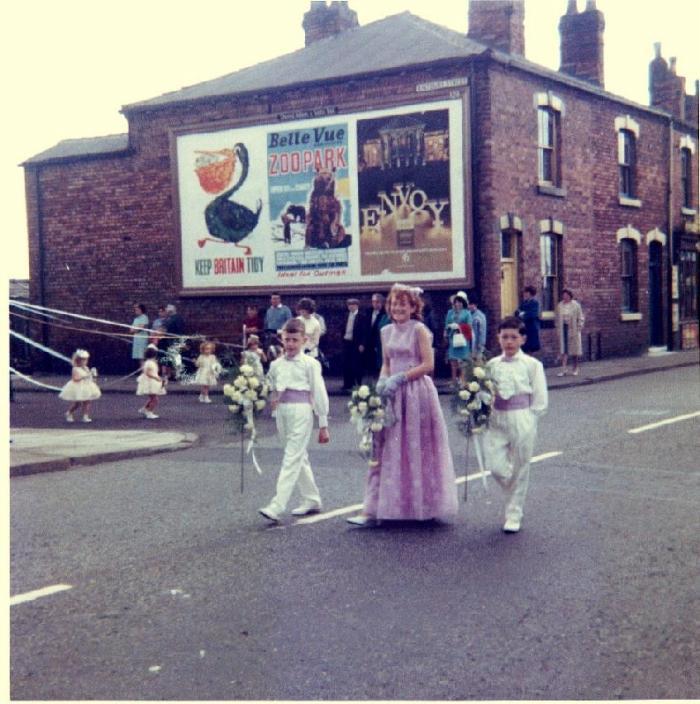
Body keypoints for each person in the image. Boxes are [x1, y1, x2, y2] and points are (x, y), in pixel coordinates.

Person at [347, 283, 458, 527]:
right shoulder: (385, 331)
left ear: (412, 307)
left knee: (415, 448)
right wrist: (382, 383)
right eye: (394, 303)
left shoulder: (419, 329)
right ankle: (373, 509)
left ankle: (422, 506)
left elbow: (429, 365)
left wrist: (402, 378)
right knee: (384, 448)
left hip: (416, 392)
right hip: (391, 394)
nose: (398, 308)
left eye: (403, 304)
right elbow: (386, 363)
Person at [258, 318, 330, 523]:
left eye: (294, 340)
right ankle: (312, 499)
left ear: (304, 340)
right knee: (298, 457)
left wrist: (323, 425)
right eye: (286, 340)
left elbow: (319, 393)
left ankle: (277, 505)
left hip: (302, 411)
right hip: (282, 412)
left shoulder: (311, 364)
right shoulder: (276, 364)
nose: (290, 344)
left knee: (291, 457)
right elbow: (269, 385)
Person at [483, 316, 548, 533]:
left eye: (513, 337)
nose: (509, 342)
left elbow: (540, 396)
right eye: (504, 337)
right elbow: (484, 392)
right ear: (498, 339)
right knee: (496, 467)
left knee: (521, 467)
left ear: (522, 339)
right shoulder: (491, 365)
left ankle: (513, 514)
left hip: (522, 418)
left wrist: (531, 419)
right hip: (497, 417)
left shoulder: (532, 365)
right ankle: (511, 488)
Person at [59, 349, 101, 423]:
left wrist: (93, 375)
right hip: (78, 387)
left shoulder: (86, 368)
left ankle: (85, 416)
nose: (85, 362)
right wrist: (84, 376)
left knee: (87, 401)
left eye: (86, 360)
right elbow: (75, 379)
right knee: (78, 403)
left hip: (86, 386)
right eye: (83, 360)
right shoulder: (75, 369)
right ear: (78, 361)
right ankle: (69, 412)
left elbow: (90, 378)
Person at [444, 291, 472, 385]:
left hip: (462, 339)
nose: (457, 304)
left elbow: (469, 326)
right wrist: (447, 331)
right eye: (456, 302)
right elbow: (446, 324)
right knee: (453, 361)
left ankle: (463, 381)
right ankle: (454, 380)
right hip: (453, 338)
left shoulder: (467, 313)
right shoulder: (450, 312)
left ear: (463, 303)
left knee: (462, 362)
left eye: (459, 302)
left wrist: (459, 327)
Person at [555, 289, 585, 376]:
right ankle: (564, 369)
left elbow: (581, 317)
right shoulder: (560, 305)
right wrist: (558, 327)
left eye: (566, 295)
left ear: (570, 296)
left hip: (573, 329)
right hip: (563, 328)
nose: (565, 297)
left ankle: (575, 368)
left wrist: (579, 328)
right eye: (563, 295)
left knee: (574, 350)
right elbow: (557, 318)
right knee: (564, 349)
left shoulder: (576, 305)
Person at [341, 297, 366, 391]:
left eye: (352, 305)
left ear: (357, 306)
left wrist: (362, 344)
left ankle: (358, 384)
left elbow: (364, 331)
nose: (350, 307)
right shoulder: (346, 315)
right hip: (346, 341)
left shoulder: (361, 316)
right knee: (346, 364)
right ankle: (347, 384)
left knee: (356, 364)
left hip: (356, 343)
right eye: (349, 305)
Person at [363, 292, 390, 378]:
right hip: (368, 342)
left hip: (379, 342)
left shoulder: (385, 314)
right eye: (373, 301)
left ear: (382, 302)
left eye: (377, 302)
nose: (375, 304)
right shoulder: (368, 312)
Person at [137, 345, 166, 419]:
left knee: (152, 398)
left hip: (152, 382)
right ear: (154, 355)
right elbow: (148, 373)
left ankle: (144, 409)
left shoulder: (150, 362)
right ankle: (149, 412)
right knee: (155, 399)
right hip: (150, 382)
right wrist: (156, 378)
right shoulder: (149, 363)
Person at [515, 286, 541, 355]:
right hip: (524, 327)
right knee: (524, 346)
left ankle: (530, 362)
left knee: (531, 346)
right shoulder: (524, 303)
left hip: (532, 327)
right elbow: (517, 311)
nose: (525, 294)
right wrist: (519, 314)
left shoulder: (535, 303)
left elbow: (533, 314)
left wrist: (523, 314)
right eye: (525, 292)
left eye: (526, 292)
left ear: (531, 293)